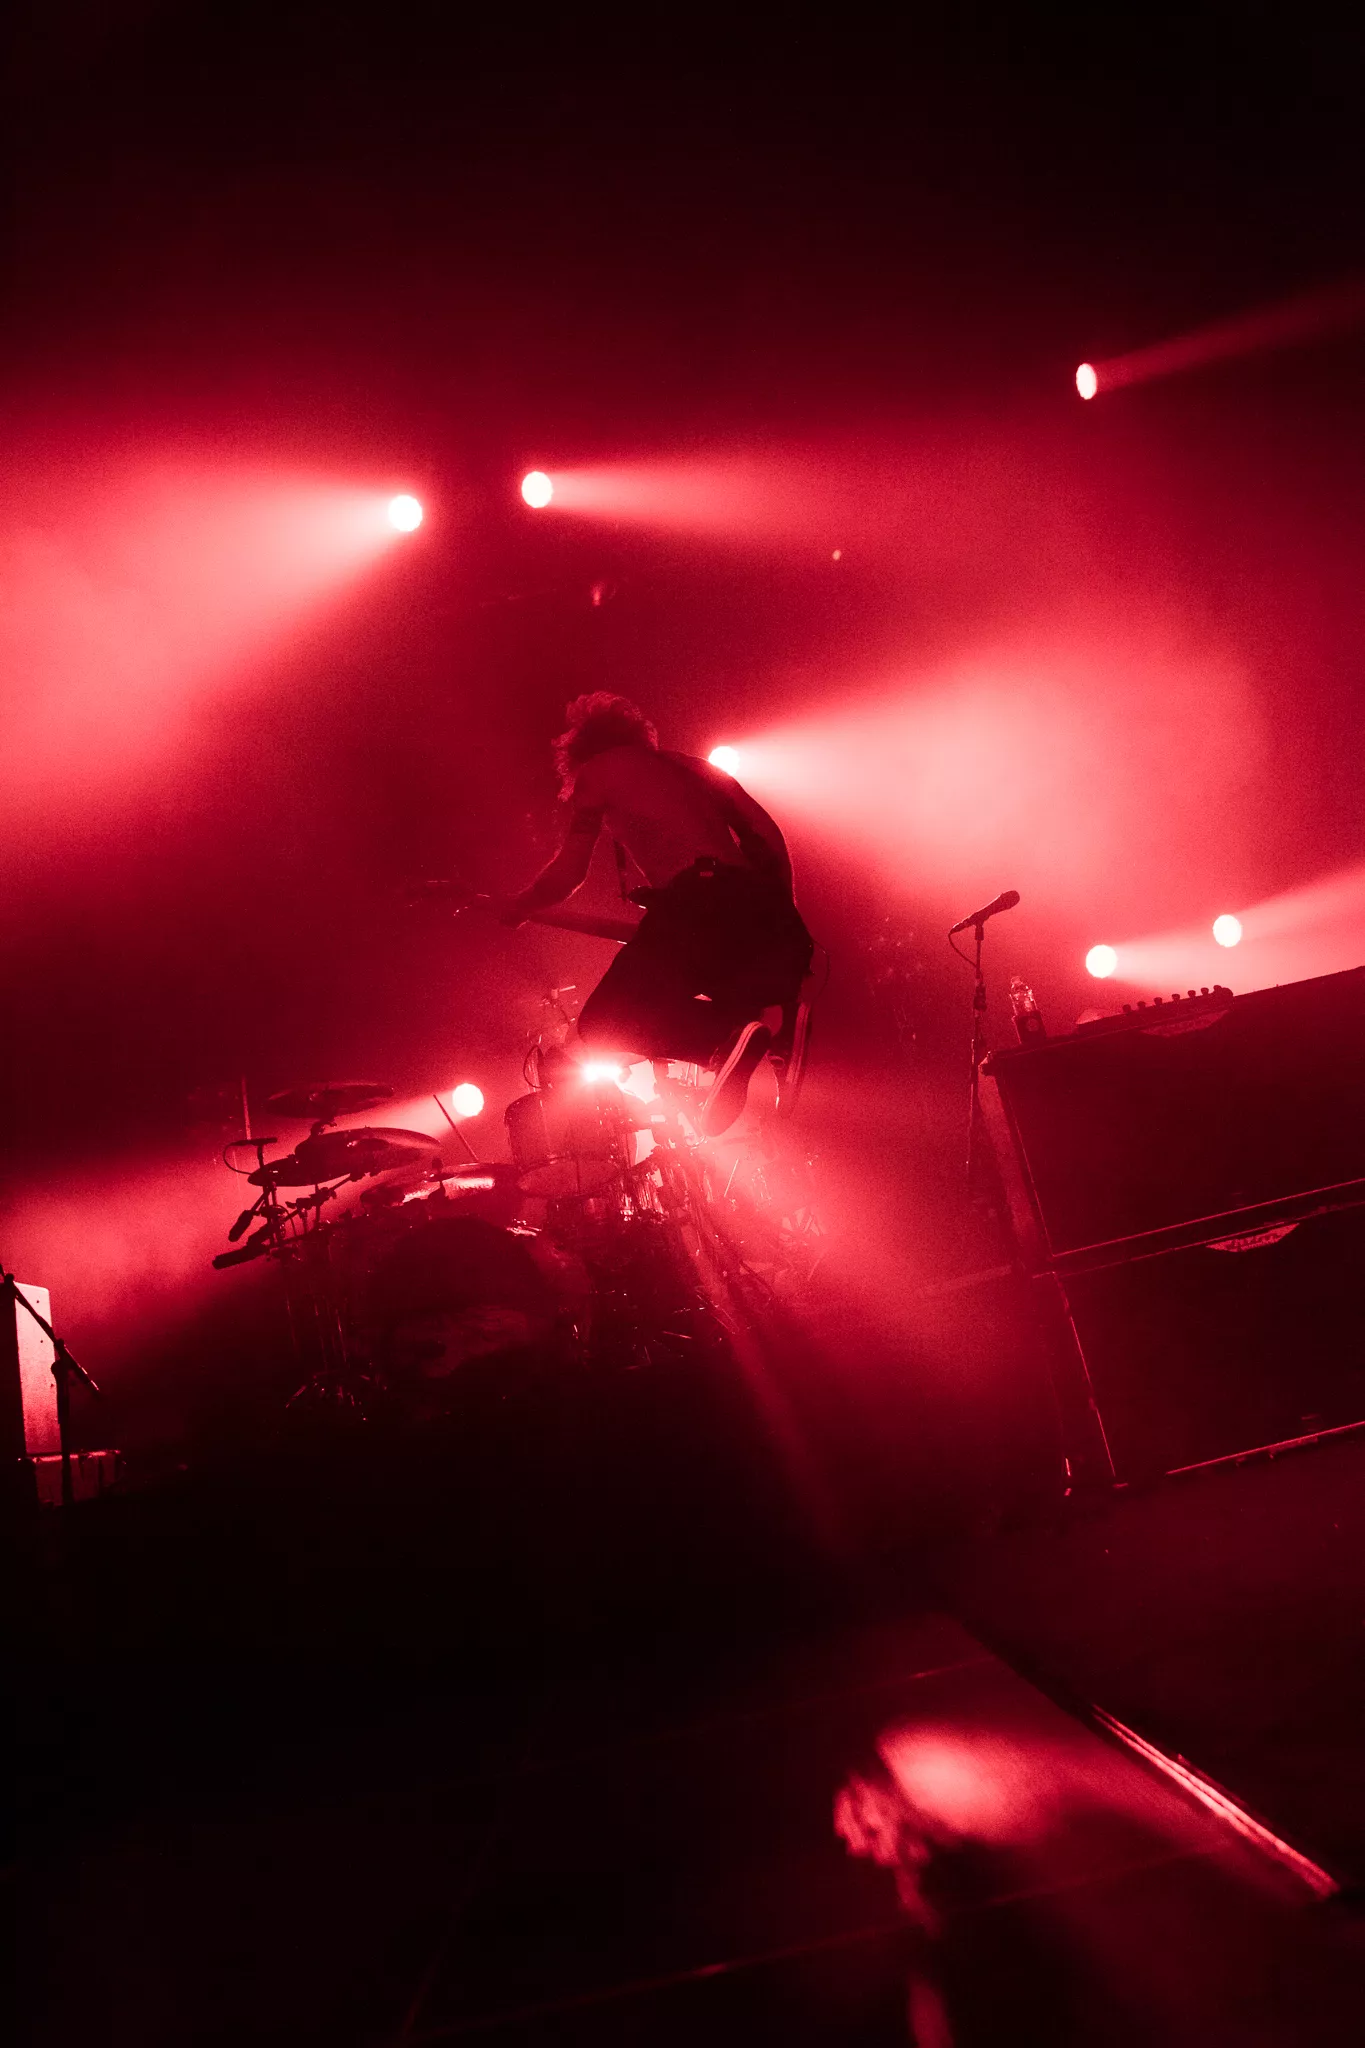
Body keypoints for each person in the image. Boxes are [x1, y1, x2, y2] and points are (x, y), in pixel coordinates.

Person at [500, 693, 813, 1134]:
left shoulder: (596, 771)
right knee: (705, 1001)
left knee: (602, 1025)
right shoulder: (693, 767)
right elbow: (766, 835)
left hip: (698, 901)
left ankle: (721, 1041)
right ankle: (767, 1033)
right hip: (764, 914)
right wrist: (786, 922)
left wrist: (522, 904)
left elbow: (569, 874)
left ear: (578, 752)